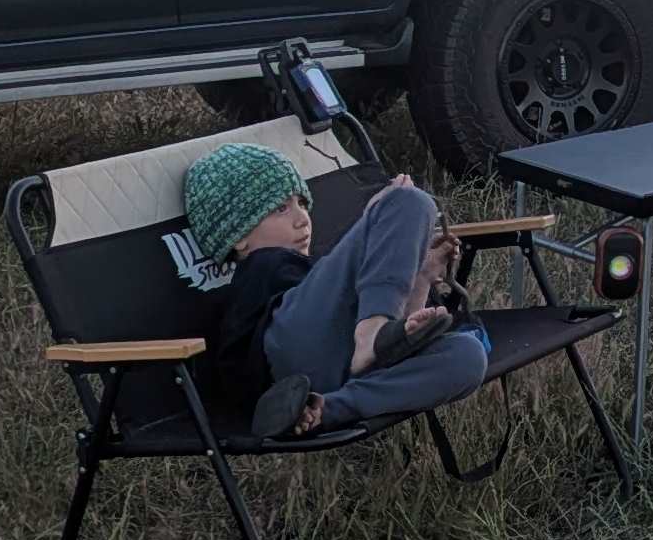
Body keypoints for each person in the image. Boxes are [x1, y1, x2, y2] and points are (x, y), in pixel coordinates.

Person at [177, 143, 492, 444]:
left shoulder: (313, 274)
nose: (302, 219)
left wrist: (422, 277)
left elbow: (394, 346)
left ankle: (323, 410)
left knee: (467, 356)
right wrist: (375, 218)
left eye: (302, 203)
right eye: (280, 209)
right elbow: (312, 323)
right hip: (288, 359)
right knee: (410, 201)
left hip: (327, 378)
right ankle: (371, 331)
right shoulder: (261, 267)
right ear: (237, 236)